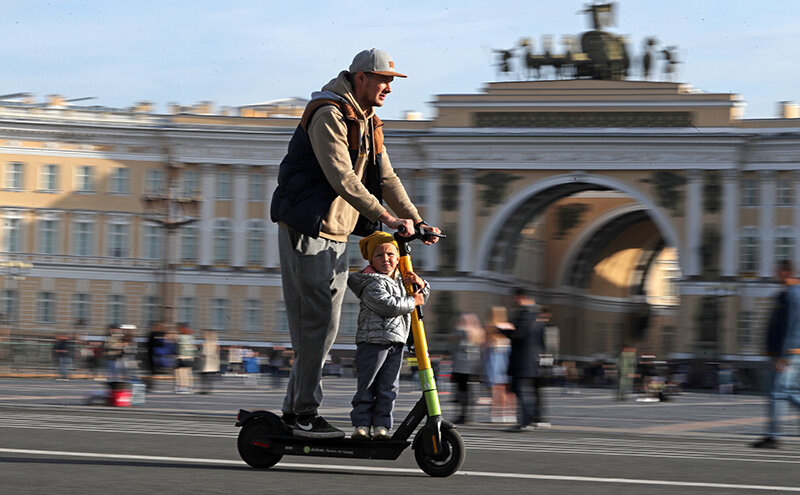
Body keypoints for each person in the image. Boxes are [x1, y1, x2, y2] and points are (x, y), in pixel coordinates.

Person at [270, 48, 440, 438]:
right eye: (383, 80)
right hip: (308, 229)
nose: (389, 88)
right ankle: (302, 415)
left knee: (321, 328)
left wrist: (415, 220)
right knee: (318, 326)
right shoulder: (328, 113)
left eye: (392, 81)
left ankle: (297, 412)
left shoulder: (369, 121)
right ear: (360, 77)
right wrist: (385, 218)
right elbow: (342, 178)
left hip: (336, 232)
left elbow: (388, 177)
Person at [346, 231, 429, 440]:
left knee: (389, 386)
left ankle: (382, 425)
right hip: (373, 341)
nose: (386, 259)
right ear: (371, 260)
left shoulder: (402, 279)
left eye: (391, 254)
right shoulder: (371, 282)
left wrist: (420, 283)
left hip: (396, 341)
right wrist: (413, 302)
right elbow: (387, 306)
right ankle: (361, 425)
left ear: (398, 257)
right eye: (380, 255)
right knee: (368, 384)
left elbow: (421, 296)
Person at [752, 260, 800, 448]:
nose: (775, 274)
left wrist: (783, 356)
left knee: (779, 391)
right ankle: (772, 435)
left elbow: (790, 326)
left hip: (789, 353)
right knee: (779, 392)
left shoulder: (793, 295)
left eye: (778, 271)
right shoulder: (784, 294)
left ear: (785, 272)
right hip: (781, 353)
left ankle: (772, 435)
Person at [499, 288, 548, 431]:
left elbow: (519, 335)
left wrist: (503, 330)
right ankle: (530, 418)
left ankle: (526, 421)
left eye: (514, 298)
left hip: (522, 359)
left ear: (520, 297)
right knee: (521, 390)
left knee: (520, 390)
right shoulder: (537, 315)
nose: (513, 301)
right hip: (531, 359)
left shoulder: (525, 314)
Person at [450, 313, 484, 424]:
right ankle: (468, 414)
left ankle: (462, 414)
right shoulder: (478, 331)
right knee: (470, 390)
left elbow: (452, 340)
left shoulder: (461, 331)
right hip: (473, 365)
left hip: (462, 365)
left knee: (462, 390)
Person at [174, 323, 196, 394]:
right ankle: (189, 387)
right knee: (187, 373)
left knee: (181, 373)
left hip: (182, 356)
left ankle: (183, 387)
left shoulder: (180, 337)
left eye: (180, 328)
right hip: (189, 357)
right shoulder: (191, 337)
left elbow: (178, 346)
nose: (179, 330)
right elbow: (193, 347)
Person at [199, 330, 220, 394]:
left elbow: (204, 353)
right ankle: (207, 389)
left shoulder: (207, 343)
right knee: (208, 378)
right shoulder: (215, 343)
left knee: (205, 377)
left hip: (207, 363)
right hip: (211, 364)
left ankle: (205, 390)